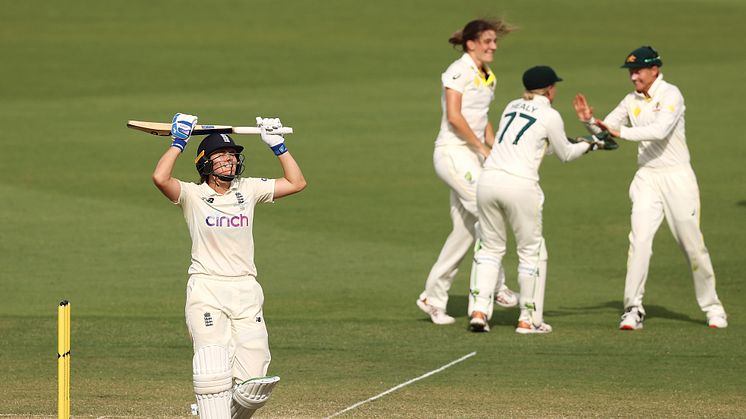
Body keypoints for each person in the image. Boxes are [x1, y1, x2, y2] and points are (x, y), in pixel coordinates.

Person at [152, 113, 307, 418]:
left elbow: (297, 182)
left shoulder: (247, 190)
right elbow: (160, 178)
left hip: (246, 289)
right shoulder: (193, 196)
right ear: (205, 163)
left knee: (255, 386)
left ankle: (213, 412)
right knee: (212, 368)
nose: (229, 162)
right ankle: (212, 409)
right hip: (207, 287)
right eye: (221, 157)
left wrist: (279, 147)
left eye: (233, 156)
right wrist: (178, 142)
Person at [573, 46, 728, 330]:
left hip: (677, 177)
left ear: (654, 69)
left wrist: (620, 131)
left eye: (638, 71)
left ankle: (712, 307)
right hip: (647, 178)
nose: (633, 77)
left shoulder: (671, 94)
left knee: (692, 244)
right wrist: (589, 121)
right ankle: (633, 308)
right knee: (639, 241)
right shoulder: (631, 99)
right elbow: (608, 132)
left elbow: (659, 131)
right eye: (631, 71)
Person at [469, 66, 615, 333]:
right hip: (520, 185)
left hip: (488, 180)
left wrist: (579, 142)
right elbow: (566, 154)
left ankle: (479, 312)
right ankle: (528, 319)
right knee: (531, 252)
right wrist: (594, 143)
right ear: (549, 89)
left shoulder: (511, 106)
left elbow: (528, 144)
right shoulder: (550, 114)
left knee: (489, 249)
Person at [417, 18, 519, 326]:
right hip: (452, 154)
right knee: (489, 215)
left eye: (494, 41)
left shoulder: (488, 76)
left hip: (472, 157)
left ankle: (431, 298)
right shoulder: (457, 72)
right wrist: (481, 147)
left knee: (463, 232)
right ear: (471, 43)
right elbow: (455, 116)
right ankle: (498, 285)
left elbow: (482, 118)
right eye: (487, 41)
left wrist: (495, 148)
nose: (493, 46)